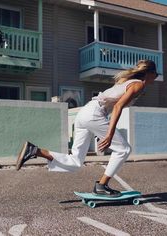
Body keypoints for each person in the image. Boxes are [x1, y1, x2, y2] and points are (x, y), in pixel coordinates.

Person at [16, 59, 158, 197]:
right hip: (94, 114)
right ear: (148, 73)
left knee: (76, 162)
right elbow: (117, 107)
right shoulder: (138, 85)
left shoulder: (127, 82)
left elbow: (112, 104)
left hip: (86, 112)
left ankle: (35, 150)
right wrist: (109, 134)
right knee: (124, 149)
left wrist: (102, 129)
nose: (156, 77)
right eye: (155, 74)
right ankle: (101, 186)